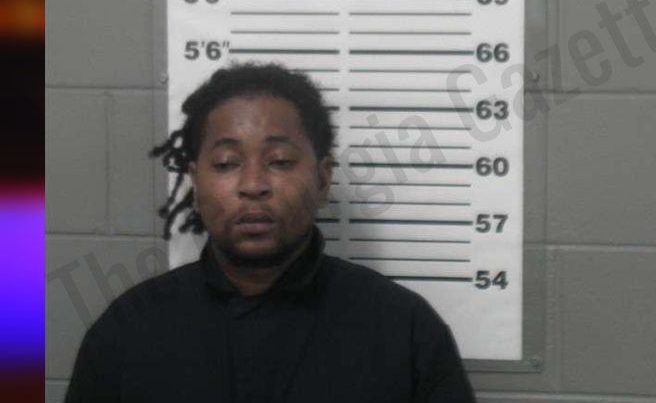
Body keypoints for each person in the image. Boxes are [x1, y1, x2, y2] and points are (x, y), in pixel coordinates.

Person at [64, 63, 476, 403]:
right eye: (226, 163)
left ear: (323, 179)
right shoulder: (128, 332)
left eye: (279, 161)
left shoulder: (403, 330)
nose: (253, 184)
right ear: (195, 183)